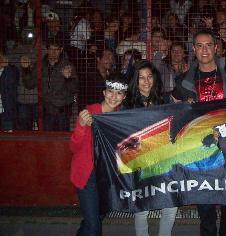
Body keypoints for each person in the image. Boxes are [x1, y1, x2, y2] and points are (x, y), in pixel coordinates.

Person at [171, 29, 226, 236]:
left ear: (216, 47)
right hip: (200, 151)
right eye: (200, 45)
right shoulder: (184, 80)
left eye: (209, 45)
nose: (205, 50)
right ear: (194, 49)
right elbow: (173, 109)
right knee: (205, 208)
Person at [70, 73, 128, 236]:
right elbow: (73, 147)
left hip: (107, 177)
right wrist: (81, 126)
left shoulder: (120, 117)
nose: (114, 96)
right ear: (104, 92)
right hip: (87, 175)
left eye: (119, 93)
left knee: (95, 219)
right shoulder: (89, 113)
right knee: (94, 226)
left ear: (124, 97)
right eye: (110, 91)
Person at [125, 60, 177, 236]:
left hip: (164, 160)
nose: (146, 81)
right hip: (140, 163)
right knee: (141, 207)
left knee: (170, 204)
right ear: (135, 80)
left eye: (149, 77)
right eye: (141, 78)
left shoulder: (165, 100)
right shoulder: (127, 104)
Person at [20, 39, 78, 131]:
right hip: (46, 111)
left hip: (62, 112)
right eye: (51, 49)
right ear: (47, 50)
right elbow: (29, 85)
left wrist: (68, 78)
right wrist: (26, 70)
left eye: (56, 49)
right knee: (47, 140)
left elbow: (74, 88)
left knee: (62, 140)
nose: (53, 52)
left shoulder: (67, 65)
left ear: (61, 50)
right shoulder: (40, 65)